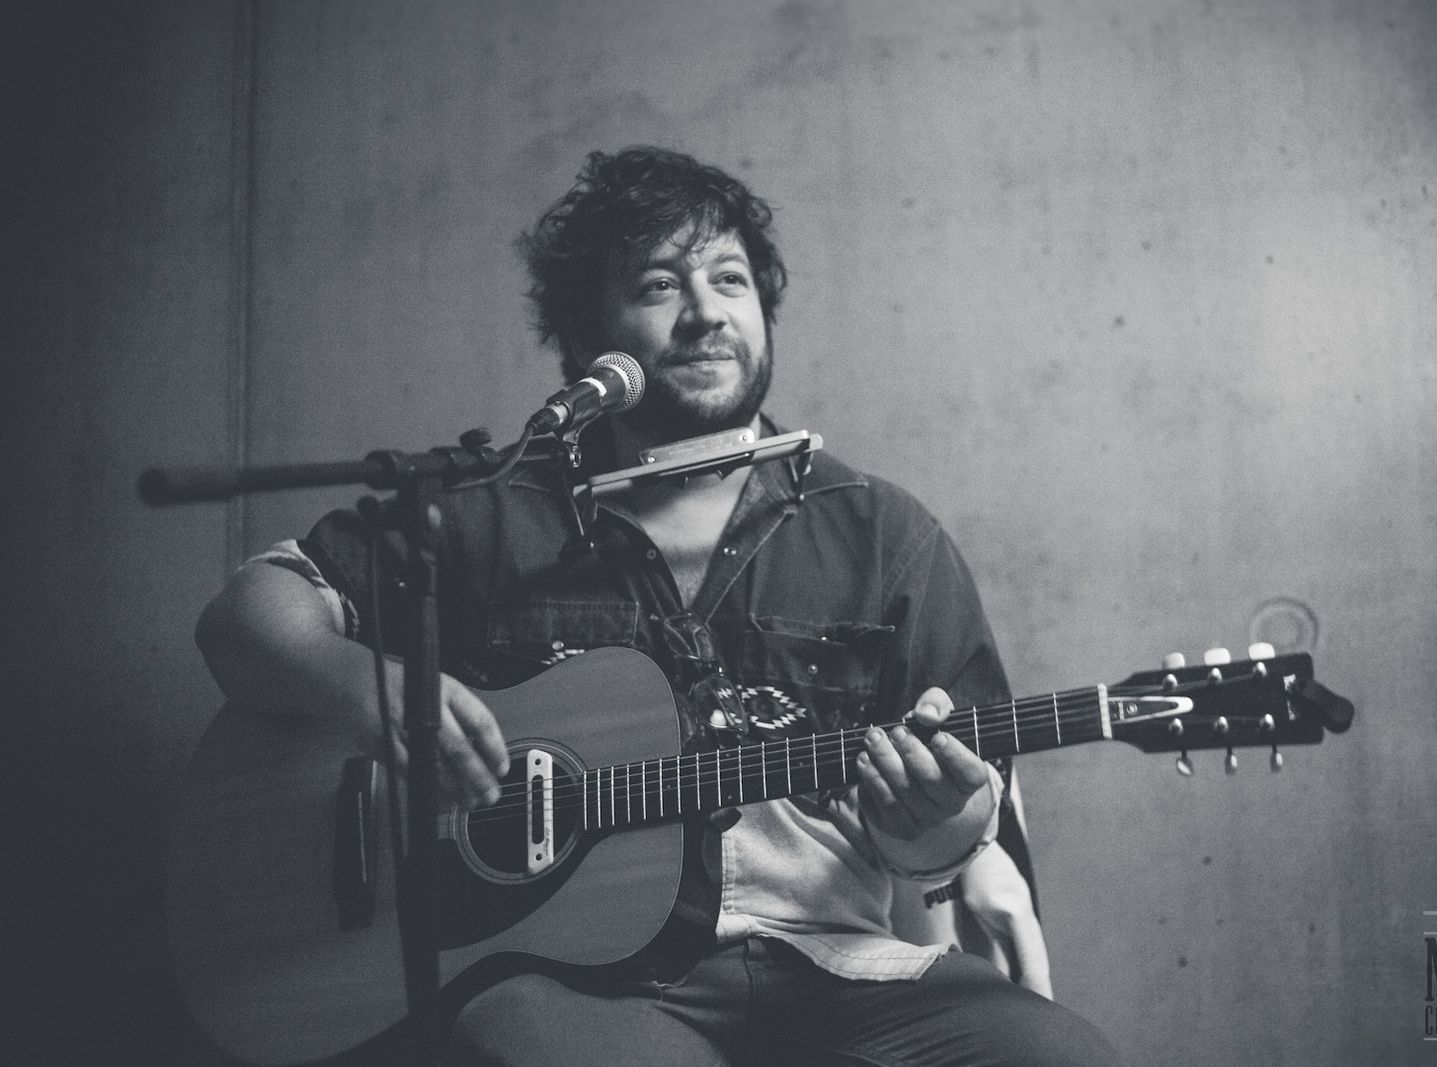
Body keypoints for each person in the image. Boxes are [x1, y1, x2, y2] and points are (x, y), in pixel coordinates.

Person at [196, 146, 1118, 1066]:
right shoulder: (489, 512)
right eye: (660, 285)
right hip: (584, 986)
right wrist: (369, 689)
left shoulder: (884, 533)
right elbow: (243, 619)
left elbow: (953, 835)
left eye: (731, 280)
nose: (707, 311)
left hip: (832, 966)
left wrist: (937, 822)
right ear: (588, 334)